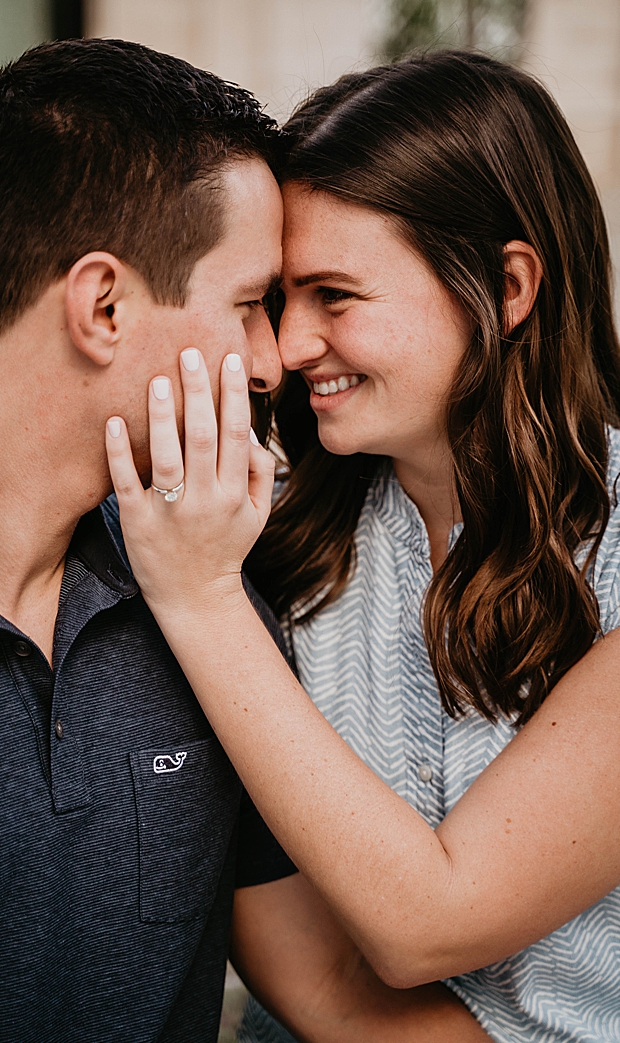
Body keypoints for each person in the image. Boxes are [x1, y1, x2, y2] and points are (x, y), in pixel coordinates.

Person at [0, 38, 492, 1043]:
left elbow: (325, 989)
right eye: (247, 306)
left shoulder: (208, 596)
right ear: (100, 304)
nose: (273, 358)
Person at [105, 51, 620, 1043]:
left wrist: (201, 598)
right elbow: (275, 924)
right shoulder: (266, 518)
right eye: (273, 297)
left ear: (506, 287)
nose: (288, 346)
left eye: (334, 296)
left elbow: (427, 923)